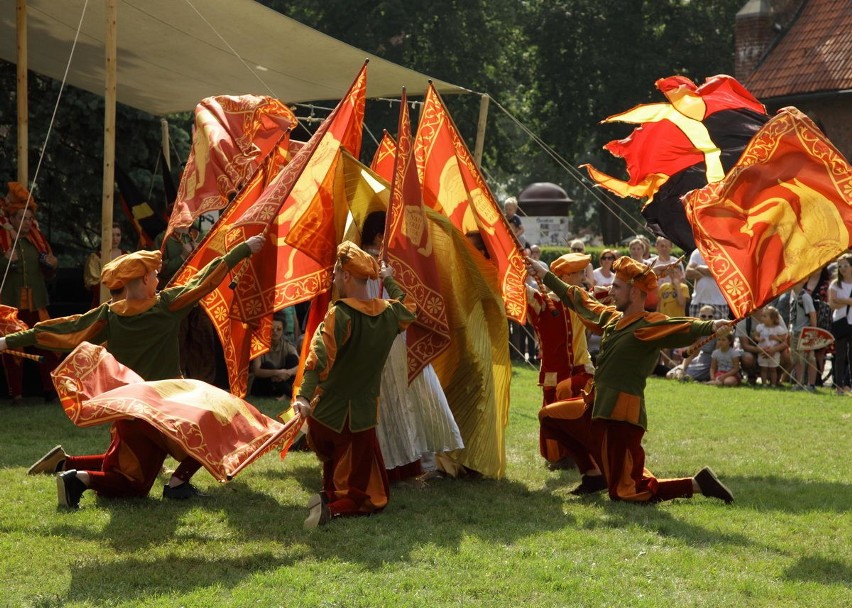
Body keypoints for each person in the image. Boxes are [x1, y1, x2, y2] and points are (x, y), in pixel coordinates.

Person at [2, 234, 266, 508]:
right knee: (140, 480)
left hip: (129, 408)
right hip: (162, 409)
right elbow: (205, 281)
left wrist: (7, 340)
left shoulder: (111, 315)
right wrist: (242, 250)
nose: (157, 280)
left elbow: (65, 328)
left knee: (135, 461)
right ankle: (79, 478)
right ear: (142, 280)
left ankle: (66, 463)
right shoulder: (166, 305)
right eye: (153, 275)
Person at [525, 253, 734, 504]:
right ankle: (593, 475)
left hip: (621, 418)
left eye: (616, 287)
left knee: (626, 492)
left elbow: (682, 326)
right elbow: (579, 300)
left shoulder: (647, 325)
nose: (610, 291)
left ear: (635, 293)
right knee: (549, 418)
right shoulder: (613, 319)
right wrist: (544, 273)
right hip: (595, 406)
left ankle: (696, 483)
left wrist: (711, 326)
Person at [293, 241, 416, 528]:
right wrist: (389, 279)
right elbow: (408, 308)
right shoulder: (389, 314)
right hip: (359, 420)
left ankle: (331, 503)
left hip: (326, 418)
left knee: (348, 479)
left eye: (336, 272)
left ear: (347, 276)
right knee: (365, 492)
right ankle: (336, 505)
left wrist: (303, 396)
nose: (333, 278)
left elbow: (318, 357)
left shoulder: (340, 313)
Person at [359, 212, 464, 483]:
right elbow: (400, 303)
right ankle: (417, 463)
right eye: (391, 233)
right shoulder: (372, 263)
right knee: (411, 399)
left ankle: (405, 463)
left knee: (401, 401)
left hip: (381, 343)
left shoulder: (374, 262)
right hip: (392, 341)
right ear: (380, 235)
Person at [527, 252, 595, 470]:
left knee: (579, 410)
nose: (584, 276)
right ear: (565, 277)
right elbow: (516, 289)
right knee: (552, 412)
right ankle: (557, 457)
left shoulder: (582, 299)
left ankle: (582, 453)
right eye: (579, 273)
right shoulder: (543, 302)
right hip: (553, 371)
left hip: (580, 368)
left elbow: (613, 293)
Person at [0, 182, 62, 401]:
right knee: (12, 350)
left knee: (45, 343)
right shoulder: (3, 240)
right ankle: (15, 393)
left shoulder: (37, 241)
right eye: (21, 218)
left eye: (28, 218)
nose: (26, 223)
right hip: (10, 303)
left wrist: (52, 264)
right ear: (12, 219)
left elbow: (49, 273)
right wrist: (4, 261)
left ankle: (50, 391)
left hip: (36, 301)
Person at [155, 224, 217, 383]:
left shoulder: (199, 236)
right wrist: (182, 256)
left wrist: (202, 253)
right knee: (177, 342)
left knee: (203, 341)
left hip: (200, 297)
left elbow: (213, 261)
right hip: (176, 298)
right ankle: (176, 382)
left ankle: (204, 383)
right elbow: (158, 270)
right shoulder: (164, 239)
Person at [250, 315, 300, 399]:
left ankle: (285, 393)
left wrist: (288, 372)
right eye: (272, 329)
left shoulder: (287, 345)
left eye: (279, 329)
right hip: (263, 385)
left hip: (281, 381)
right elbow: (257, 371)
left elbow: (301, 365)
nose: (275, 332)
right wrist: (277, 373)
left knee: (293, 359)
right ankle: (290, 393)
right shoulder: (259, 344)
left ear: (283, 330)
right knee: (267, 365)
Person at [83, 222, 128, 307]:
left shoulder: (127, 255)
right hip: (102, 302)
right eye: (112, 235)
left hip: (125, 301)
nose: (115, 239)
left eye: (118, 235)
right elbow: (93, 283)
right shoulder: (95, 258)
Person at [828, 253, 852, 395]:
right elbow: (832, 304)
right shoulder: (835, 284)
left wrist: (841, 300)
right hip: (840, 321)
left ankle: (849, 384)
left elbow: (837, 301)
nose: (843, 268)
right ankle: (839, 386)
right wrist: (847, 301)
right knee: (840, 355)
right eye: (840, 266)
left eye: (846, 265)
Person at [788, 281, 817, 392]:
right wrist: (789, 329)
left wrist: (813, 332)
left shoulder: (805, 297)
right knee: (796, 359)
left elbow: (812, 314)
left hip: (805, 331)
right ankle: (799, 383)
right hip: (794, 331)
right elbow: (792, 314)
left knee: (809, 358)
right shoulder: (792, 294)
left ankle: (811, 384)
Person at [686, 249, 729, 319]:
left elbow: (718, 271)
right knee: (696, 329)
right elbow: (688, 273)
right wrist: (707, 272)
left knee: (719, 329)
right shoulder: (697, 252)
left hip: (719, 302)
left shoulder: (722, 252)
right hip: (698, 301)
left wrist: (698, 268)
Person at [753, 305, 788, 387]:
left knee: (773, 369)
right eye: (762, 316)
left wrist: (776, 338)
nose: (762, 318)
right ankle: (764, 383)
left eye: (765, 316)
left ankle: (773, 383)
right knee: (763, 368)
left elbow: (784, 338)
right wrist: (758, 339)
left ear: (773, 319)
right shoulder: (760, 327)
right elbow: (755, 335)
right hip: (762, 350)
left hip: (774, 351)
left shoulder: (778, 328)